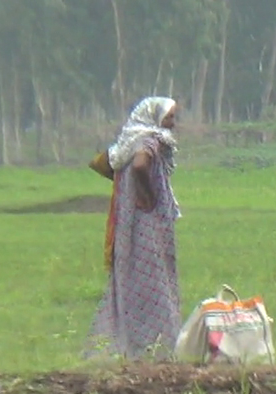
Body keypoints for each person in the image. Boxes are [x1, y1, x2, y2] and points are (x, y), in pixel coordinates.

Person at [83, 96, 183, 362]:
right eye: (169, 117)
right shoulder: (151, 139)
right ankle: (160, 344)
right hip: (147, 221)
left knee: (128, 273)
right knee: (155, 275)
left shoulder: (127, 142)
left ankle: (128, 342)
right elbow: (141, 164)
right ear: (154, 117)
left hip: (128, 222)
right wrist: (147, 194)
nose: (172, 123)